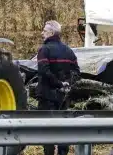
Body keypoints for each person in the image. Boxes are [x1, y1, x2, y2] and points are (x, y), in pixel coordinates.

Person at [36, 20, 80, 155]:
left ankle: (49, 153)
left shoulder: (44, 50)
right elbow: (77, 72)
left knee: (47, 129)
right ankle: (62, 153)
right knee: (63, 128)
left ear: (51, 33)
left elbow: (44, 71)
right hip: (63, 97)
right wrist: (67, 84)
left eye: (44, 30)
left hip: (47, 96)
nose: (42, 33)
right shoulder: (68, 50)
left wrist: (58, 84)